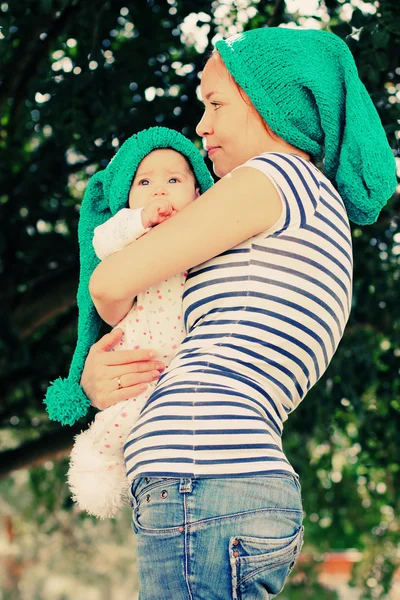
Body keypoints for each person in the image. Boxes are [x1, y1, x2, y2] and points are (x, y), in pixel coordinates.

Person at [48, 27, 396, 600]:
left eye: (216, 104)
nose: (202, 127)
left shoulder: (272, 180)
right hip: (215, 489)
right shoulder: (302, 207)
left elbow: (110, 279)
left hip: (202, 484)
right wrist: (101, 372)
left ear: (273, 105)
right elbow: (167, 329)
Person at [66, 128, 214, 519]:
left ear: (198, 192)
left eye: (173, 179)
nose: (158, 191)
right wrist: (139, 222)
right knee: (126, 412)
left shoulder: (211, 232)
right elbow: (102, 241)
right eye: (144, 182)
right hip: (141, 348)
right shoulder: (128, 237)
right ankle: (96, 458)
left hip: (183, 360)